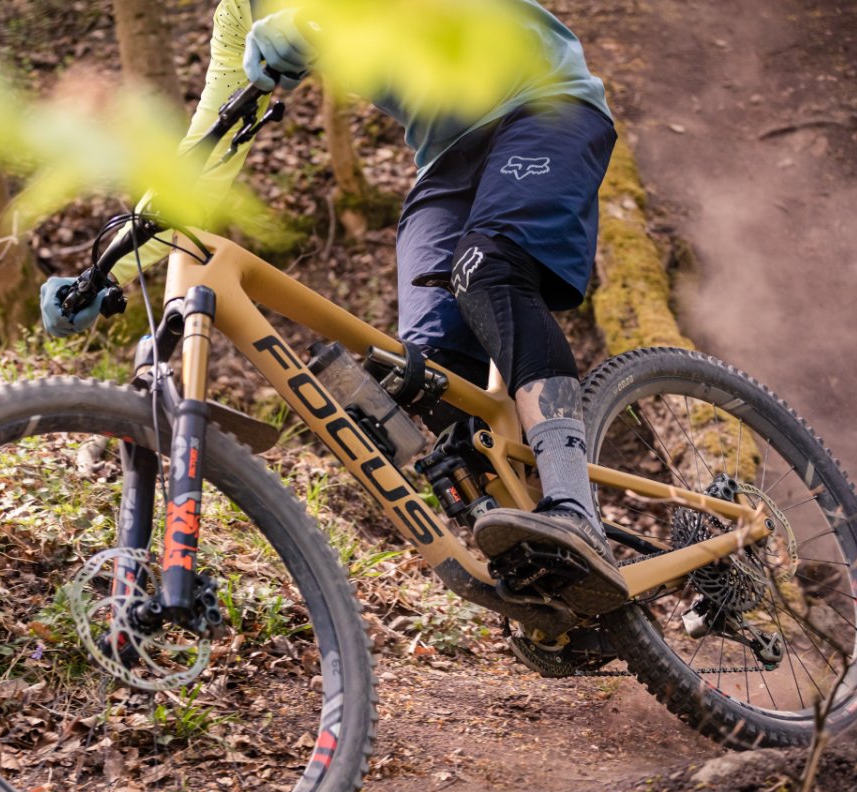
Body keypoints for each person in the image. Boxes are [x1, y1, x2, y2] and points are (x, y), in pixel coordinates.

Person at [42, 0, 625, 618]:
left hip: (543, 100)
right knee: (429, 369)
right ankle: (539, 572)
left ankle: (573, 510)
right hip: (448, 155)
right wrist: (105, 266)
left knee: (487, 271)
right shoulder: (238, 16)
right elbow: (204, 157)